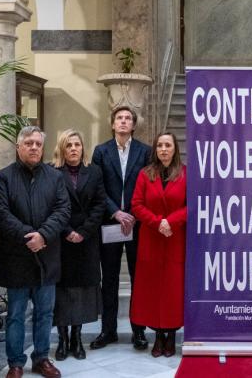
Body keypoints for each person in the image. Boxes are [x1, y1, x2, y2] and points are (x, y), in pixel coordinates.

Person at [0, 126, 71, 378]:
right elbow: (1, 215)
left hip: (47, 256)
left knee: (45, 313)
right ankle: (15, 363)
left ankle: (41, 358)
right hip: (17, 256)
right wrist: (30, 236)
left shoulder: (55, 177)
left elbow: (62, 210)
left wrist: (43, 235)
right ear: (18, 147)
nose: (34, 147)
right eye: (28, 143)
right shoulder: (3, 177)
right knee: (15, 314)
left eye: (38, 143)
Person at [90, 105, 152, 350]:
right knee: (111, 278)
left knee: (139, 279)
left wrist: (134, 214)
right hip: (111, 222)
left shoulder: (145, 151)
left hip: (137, 224)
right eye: (119, 118)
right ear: (113, 124)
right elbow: (98, 186)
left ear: (134, 125)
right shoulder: (101, 151)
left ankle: (139, 330)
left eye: (128, 118)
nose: (124, 122)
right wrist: (116, 211)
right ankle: (108, 330)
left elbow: (148, 185)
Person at [130, 132, 187, 358]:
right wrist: (157, 223)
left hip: (175, 238)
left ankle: (171, 336)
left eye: (168, 145)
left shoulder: (185, 174)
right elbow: (136, 204)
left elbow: (191, 204)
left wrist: (170, 221)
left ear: (175, 149)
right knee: (152, 290)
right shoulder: (146, 174)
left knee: (173, 290)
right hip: (151, 239)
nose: (164, 149)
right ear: (155, 149)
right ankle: (158, 336)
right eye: (160, 145)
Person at [51, 129, 105, 361]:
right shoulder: (51, 172)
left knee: (82, 292)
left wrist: (82, 232)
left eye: (77, 144)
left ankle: (77, 337)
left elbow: (100, 204)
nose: (74, 148)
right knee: (62, 291)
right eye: (69, 145)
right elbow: (49, 205)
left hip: (86, 240)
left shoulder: (94, 172)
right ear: (62, 149)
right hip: (60, 241)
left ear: (83, 148)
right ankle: (62, 339)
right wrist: (67, 231)